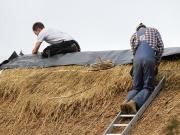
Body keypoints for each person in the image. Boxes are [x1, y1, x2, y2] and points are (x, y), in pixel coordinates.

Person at [120, 23, 164, 114]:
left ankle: (125, 102)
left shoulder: (133, 36)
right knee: (148, 87)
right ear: (144, 27)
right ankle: (133, 102)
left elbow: (134, 52)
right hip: (149, 58)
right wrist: (157, 62)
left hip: (136, 60)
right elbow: (161, 47)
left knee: (136, 87)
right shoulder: (154, 30)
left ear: (137, 29)